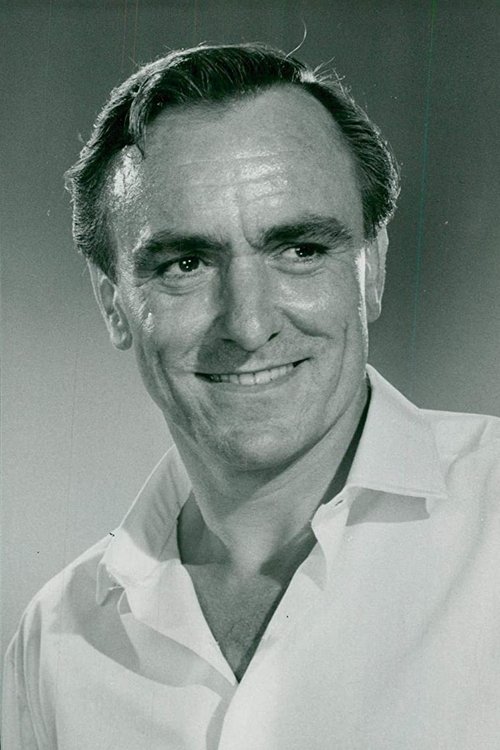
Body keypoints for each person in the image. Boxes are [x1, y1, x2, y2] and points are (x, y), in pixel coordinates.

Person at [2, 43, 500, 750]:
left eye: (300, 250)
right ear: (113, 302)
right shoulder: (60, 642)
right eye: (185, 263)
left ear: (374, 268)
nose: (248, 323)